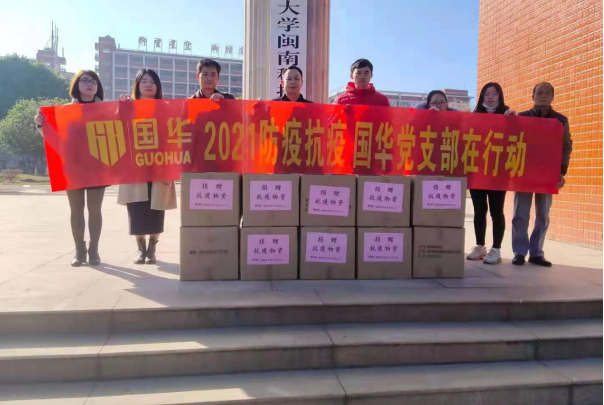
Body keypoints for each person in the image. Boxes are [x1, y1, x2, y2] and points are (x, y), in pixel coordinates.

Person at [34, 70, 107, 266]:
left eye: (94, 81)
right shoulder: (65, 110)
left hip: (97, 166)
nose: (90, 84)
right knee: (76, 210)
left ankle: (94, 250)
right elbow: (54, 136)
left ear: (98, 86)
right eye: (85, 80)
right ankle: (79, 250)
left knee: (95, 210)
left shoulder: (105, 110)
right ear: (77, 85)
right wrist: (41, 124)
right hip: (72, 167)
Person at [117, 69, 177, 264]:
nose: (148, 84)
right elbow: (117, 129)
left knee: (157, 208)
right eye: (144, 81)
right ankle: (140, 248)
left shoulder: (166, 108)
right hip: (135, 166)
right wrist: (121, 108)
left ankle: (152, 247)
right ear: (137, 85)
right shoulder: (129, 107)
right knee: (136, 208)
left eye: (152, 81)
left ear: (158, 86)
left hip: (159, 164)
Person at [512, 82, 572, 267]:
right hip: (524, 173)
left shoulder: (560, 120)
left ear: (552, 97)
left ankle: (536, 253)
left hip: (547, 174)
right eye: (539, 93)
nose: (543, 96)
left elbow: (566, 146)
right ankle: (519, 252)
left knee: (543, 215)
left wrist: (561, 172)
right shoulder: (521, 117)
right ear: (533, 97)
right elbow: (510, 140)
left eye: (547, 93)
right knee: (520, 214)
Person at [466, 82, 516, 265]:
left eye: (494, 93)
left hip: (498, 171)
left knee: (496, 211)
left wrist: (515, 119)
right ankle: (480, 246)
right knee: (479, 210)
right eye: (487, 94)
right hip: (478, 170)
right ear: (482, 96)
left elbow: (518, 135)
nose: (490, 97)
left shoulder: (507, 114)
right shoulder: (475, 115)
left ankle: (496, 249)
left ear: (499, 96)